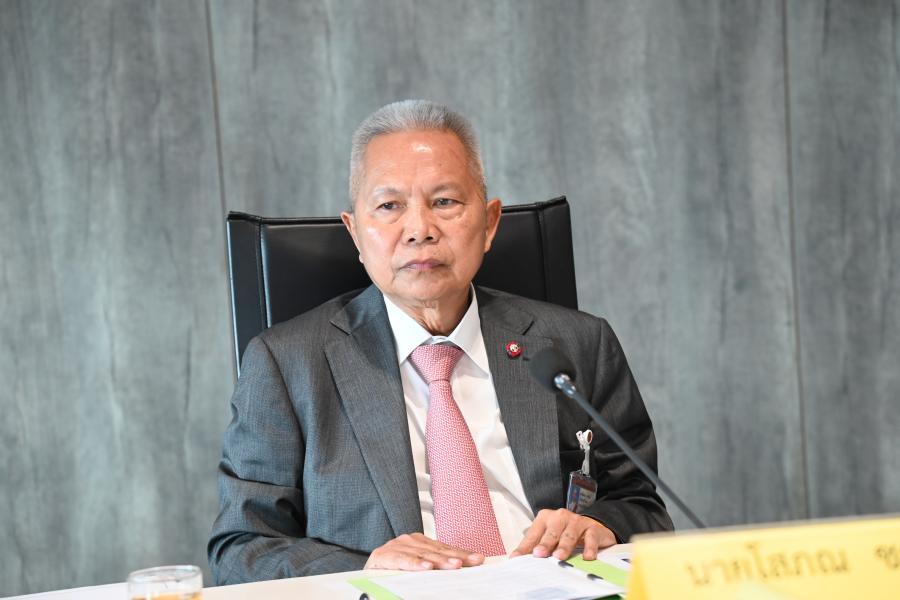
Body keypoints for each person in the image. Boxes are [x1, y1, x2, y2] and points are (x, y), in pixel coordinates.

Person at [208, 100, 673, 584]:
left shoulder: (578, 345)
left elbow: (642, 506)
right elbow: (240, 549)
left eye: (445, 202)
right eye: (389, 206)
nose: (419, 231)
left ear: (490, 223)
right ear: (355, 233)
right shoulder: (287, 364)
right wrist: (366, 567)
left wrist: (600, 524)